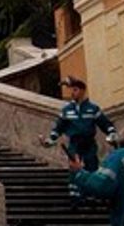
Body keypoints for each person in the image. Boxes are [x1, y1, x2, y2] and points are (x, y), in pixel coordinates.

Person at [42, 76, 118, 206]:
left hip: (89, 142)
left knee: (92, 165)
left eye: (75, 90)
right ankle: (75, 197)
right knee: (74, 168)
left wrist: (111, 133)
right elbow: (58, 127)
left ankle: (93, 195)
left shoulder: (93, 109)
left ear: (83, 91)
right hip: (74, 143)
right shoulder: (67, 110)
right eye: (72, 90)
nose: (72, 93)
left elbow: (105, 124)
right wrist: (51, 139)